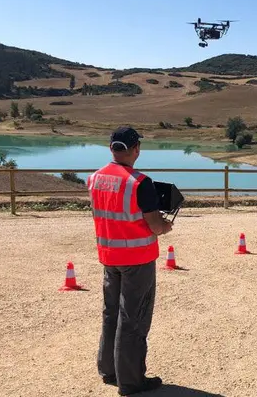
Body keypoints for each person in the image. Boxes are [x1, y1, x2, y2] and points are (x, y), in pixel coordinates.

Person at [88, 126, 173, 396]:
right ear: (135, 149)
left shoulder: (95, 179)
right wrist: (166, 226)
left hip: (109, 256)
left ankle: (108, 369)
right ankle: (131, 380)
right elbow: (155, 226)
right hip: (137, 258)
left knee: (111, 312)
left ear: (111, 148)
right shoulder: (139, 182)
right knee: (133, 318)